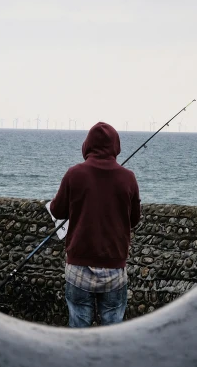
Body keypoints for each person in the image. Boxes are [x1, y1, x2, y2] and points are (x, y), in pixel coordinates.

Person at [49, 121, 141, 327]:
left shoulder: (74, 174)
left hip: (78, 268)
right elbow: (134, 219)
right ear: (115, 147)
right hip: (114, 269)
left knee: (79, 330)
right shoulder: (128, 178)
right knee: (113, 331)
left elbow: (57, 210)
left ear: (87, 145)